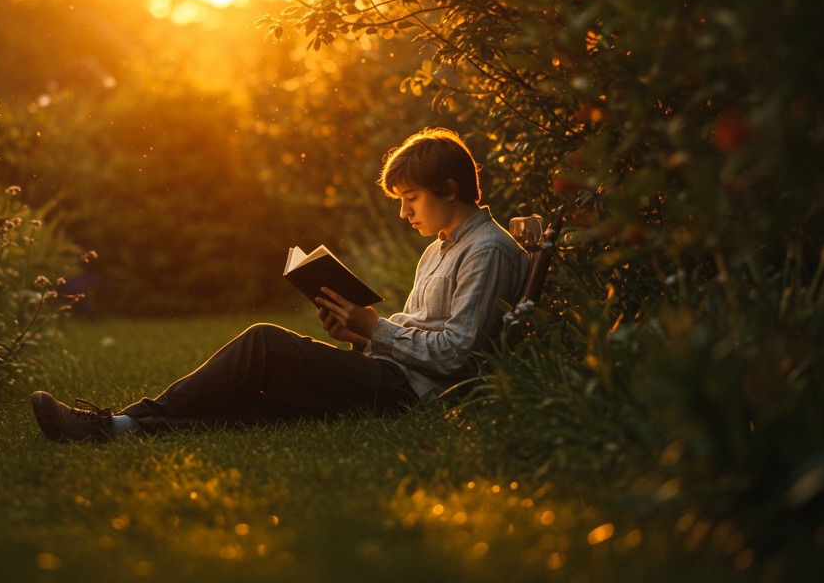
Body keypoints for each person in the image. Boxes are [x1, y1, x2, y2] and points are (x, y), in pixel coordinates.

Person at [30, 127, 530, 442]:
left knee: (264, 343)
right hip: (391, 375)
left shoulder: (486, 250)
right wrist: (358, 332)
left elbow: (457, 355)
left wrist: (376, 329)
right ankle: (120, 428)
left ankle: (116, 422)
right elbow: (423, 333)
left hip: (414, 393)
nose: (403, 212)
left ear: (450, 190)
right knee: (260, 398)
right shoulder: (439, 247)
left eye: (412, 198)